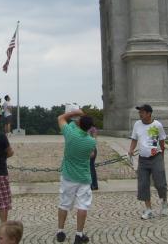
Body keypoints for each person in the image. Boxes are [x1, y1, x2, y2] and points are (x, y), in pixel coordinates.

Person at [55, 104, 96, 244]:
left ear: (78, 122)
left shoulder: (70, 133)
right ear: (90, 127)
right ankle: (79, 234)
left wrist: (74, 113)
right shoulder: (91, 141)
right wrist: (80, 117)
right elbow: (91, 155)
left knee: (64, 204)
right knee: (83, 206)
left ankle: (60, 231)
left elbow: (60, 118)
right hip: (84, 177)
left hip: (68, 175)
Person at [127, 104, 168, 219]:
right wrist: (130, 150)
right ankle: (148, 209)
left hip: (156, 157)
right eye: (139, 112)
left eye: (142, 112)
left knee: (160, 183)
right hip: (143, 159)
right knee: (143, 184)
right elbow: (134, 139)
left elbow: (162, 142)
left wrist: (162, 157)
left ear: (149, 113)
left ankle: (164, 202)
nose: (140, 114)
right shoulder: (137, 124)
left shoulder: (157, 125)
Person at [88, 125, 99, 191]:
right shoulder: (84, 128)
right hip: (88, 149)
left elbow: (94, 140)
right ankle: (92, 184)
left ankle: (94, 185)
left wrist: (92, 150)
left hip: (91, 149)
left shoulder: (92, 129)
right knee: (90, 167)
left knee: (91, 167)